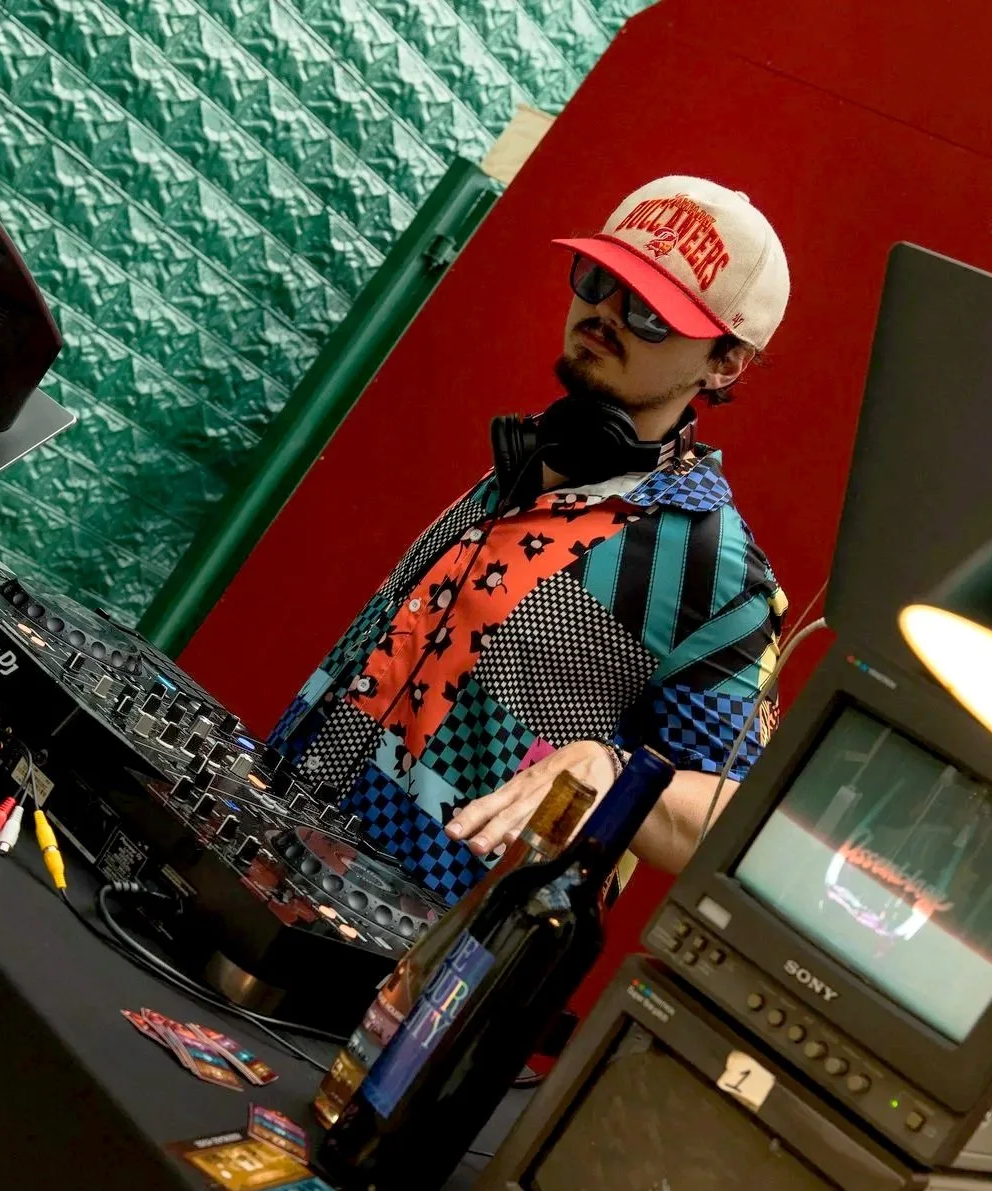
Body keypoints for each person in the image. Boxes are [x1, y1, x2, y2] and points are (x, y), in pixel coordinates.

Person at [268, 176, 792, 905]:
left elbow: (741, 816)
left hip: (410, 959)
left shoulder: (715, 568)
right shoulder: (536, 456)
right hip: (273, 846)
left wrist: (614, 770)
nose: (606, 314)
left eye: (650, 313)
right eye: (600, 280)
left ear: (724, 362)